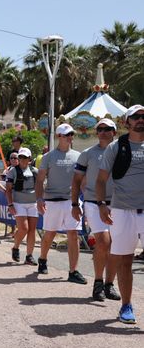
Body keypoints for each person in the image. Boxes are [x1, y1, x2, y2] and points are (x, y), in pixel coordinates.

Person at [97, 104, 144, 324]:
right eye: (135, 117)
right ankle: (126, 306)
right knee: (125, 260)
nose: (140, 120)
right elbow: (101, 179)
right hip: (122, 210)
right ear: (127, 122)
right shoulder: (116, 147)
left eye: (143, 116)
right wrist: (101, 205)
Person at [72, 118, 121, 301]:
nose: (102, 131)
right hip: (93, 202)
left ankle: (109, 284)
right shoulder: (87, 154)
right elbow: (76, 180)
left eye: (107, 128)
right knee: (103, 241)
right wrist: (75, 204)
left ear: (114, 132)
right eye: (99, 128)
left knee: (116, 246)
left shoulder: (122, 153)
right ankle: (98, 283)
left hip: (118, 204)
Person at [35, 123, 86, 284]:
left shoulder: (78, 156)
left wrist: (90, 199)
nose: (71, 137)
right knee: (50, 233)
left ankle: (73, 271)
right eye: (67, 134)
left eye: (72, 134)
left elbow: (82, 180)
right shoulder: (48, 157)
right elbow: (40, 179)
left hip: (72, 202)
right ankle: (42, 259)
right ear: (59, 136)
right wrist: (39, 199)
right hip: (52, 201)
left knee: (73, 234)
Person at [6, 147, 39, 265]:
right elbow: (8, 190)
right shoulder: (13, 171)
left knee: (32, 230)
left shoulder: (35, 171)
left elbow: (40, 187)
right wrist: (10, 204)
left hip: (33, 203)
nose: (22, 159)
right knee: (24, 228)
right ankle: (15, 247)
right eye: (20, 157)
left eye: (25, 157)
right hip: (19, 203)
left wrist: (41, 201)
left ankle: (29, 256)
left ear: (29, 159)